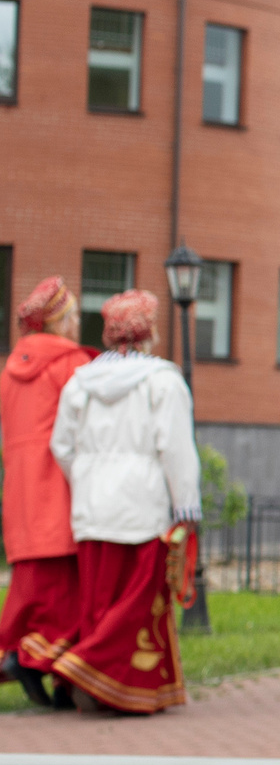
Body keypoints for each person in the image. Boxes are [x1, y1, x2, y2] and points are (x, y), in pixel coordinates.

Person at [48, 290, 200, 714]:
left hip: (92, 503)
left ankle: (100, 690)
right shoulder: (164, 380)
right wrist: (186, 507)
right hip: (142, 503)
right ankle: (87, 667)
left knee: (99, 601)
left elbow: (61, 445)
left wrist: (84, 477)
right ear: (149, 331)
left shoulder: (81, 380)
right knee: (137, 600)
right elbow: (175, 448)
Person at [1, 277, 94, 706]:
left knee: (31, 588)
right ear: (58, 320)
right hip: (58, 482)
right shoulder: (70, 362)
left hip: (21, 487)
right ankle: (49, 668)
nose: (77, 324)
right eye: (73, 315)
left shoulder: (11, 368)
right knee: (67, 590)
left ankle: (24, 656)